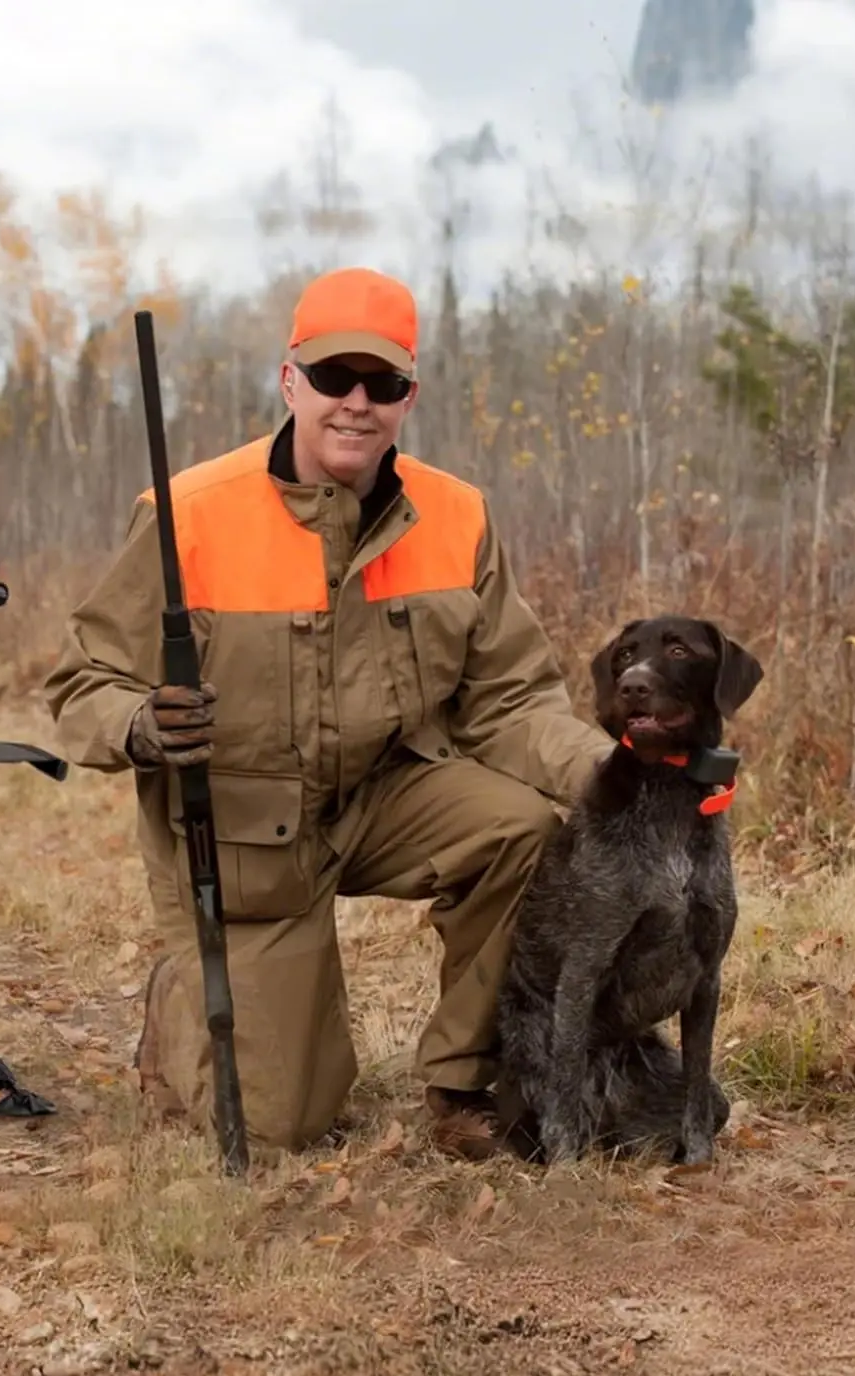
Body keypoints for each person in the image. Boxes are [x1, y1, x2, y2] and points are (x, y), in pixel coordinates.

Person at [41, 266, 613, 1159]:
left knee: (526, 830)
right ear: (289, 382)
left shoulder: (457, 515)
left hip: (384, 795)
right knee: (280, 1127)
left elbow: (510, 700)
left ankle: (464, 1079)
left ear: (408, 396)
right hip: (241, 829)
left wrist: (611, 776)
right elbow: (81, 683)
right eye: (333, 378)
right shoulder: (186, 514)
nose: (356, 403)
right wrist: (143, 724)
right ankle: (179, 1003)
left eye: (381, 384)